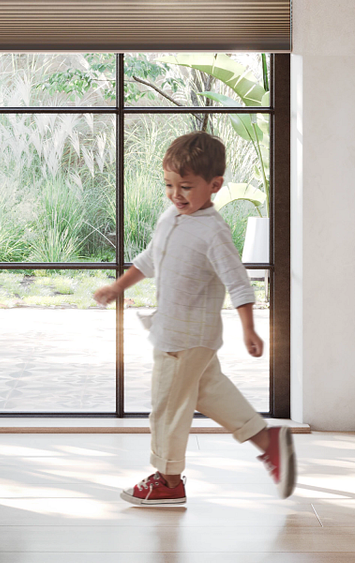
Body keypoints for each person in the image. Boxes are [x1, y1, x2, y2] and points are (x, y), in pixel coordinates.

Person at [93, 129, 295, 507]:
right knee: (209, 392)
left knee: (168, 405)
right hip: (173, 330)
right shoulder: (170, 217)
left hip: (186, 337)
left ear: (214, 185)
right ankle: (269, 443)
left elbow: (238, 281)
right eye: (169, 185)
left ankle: (168, 480)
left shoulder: (214, 232)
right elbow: (150, 259)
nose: (176, 194)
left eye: (185, 186)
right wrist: (118, 287)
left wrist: (249, 328)